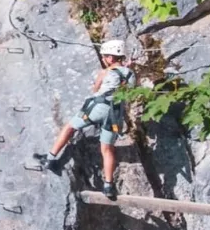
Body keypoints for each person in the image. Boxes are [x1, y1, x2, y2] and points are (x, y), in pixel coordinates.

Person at [38, 40, 137, 200]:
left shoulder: (105, 72)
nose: (104, 59)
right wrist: (128, 70)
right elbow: (129, 91)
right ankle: (108, 186)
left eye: (105, 57)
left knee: (70, 127)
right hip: (115, 113)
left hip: (97, 108)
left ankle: (50, 158)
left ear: (111, 58)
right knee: (107, 149)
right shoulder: (130, 74)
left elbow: (96, 89)